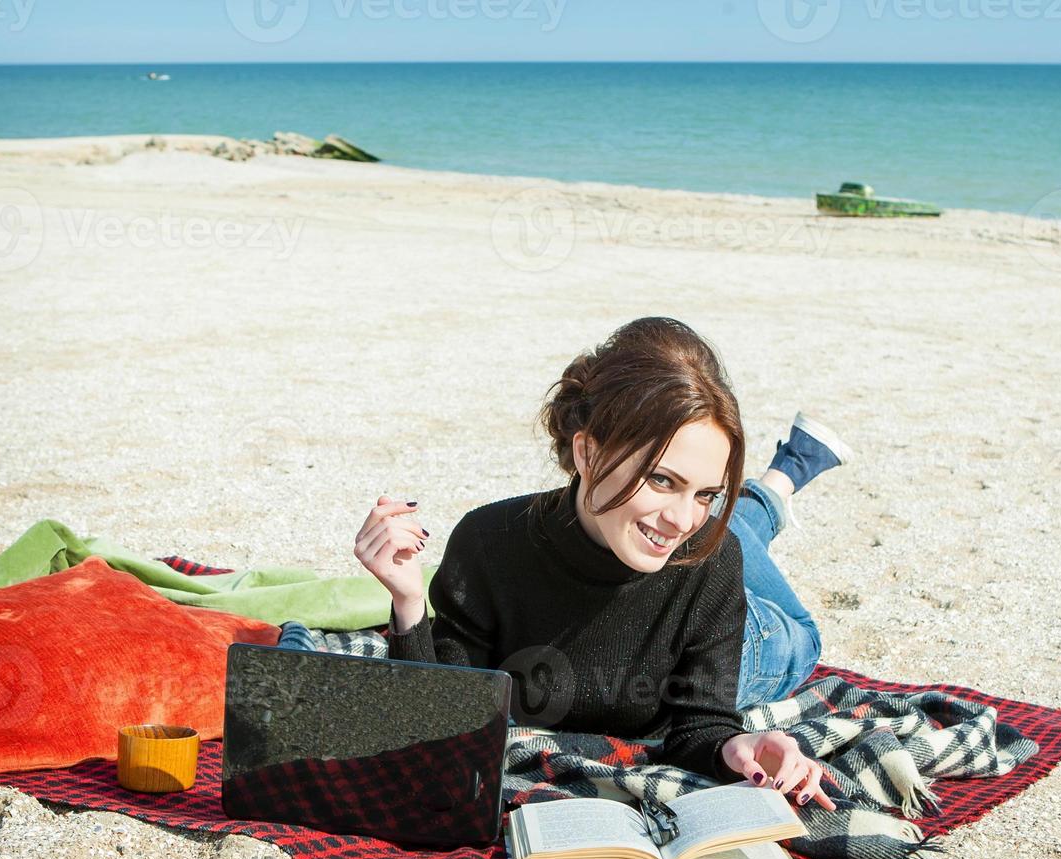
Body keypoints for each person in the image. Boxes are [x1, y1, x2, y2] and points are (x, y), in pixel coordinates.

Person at [352, 317, 848, 811]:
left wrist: (731, 747)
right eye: (661, 479)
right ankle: (769, 489)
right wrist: (409, 602)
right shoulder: (488, 543)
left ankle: (772, 488)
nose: (682, 517)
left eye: (706, 491)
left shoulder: (710, 560)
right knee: (709, 526)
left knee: (758, 579)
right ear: (588, 452)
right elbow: (446, 717)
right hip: (676, 556)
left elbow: (701, 723)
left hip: (759, 636)